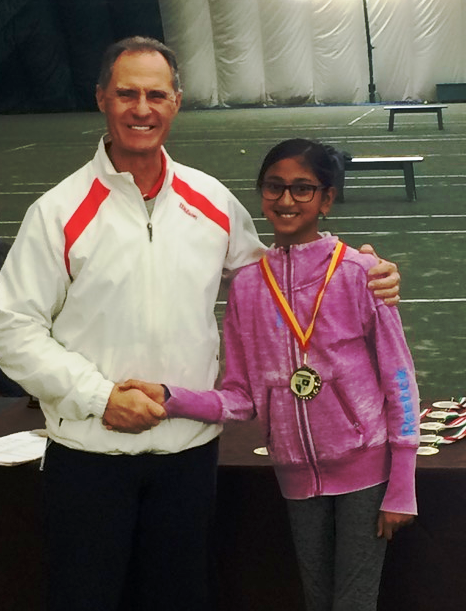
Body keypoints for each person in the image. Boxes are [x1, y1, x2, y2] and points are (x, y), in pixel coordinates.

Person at [0, 35, 401, 611]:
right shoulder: (57, 212)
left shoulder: (210, 199)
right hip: (89, 454)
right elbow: (12, 327)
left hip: (187, 458)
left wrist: (364, 270)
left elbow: (276, 280)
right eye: (127, 94)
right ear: (101, 98)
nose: (142, 109)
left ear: (177, 102)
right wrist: (98, 396)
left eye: (156, 95)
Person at [126, 139, 420, 611]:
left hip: (366, 468)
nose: (286, 200)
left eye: (303, 189)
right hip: (295, 474)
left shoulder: (360, 273)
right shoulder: (247, 286)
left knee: (354, 602)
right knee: (317, 599)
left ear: (327, 199)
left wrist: (402, 483)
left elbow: (399, 378)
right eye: (274, 187)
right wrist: (170, 397)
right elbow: (241, 397)